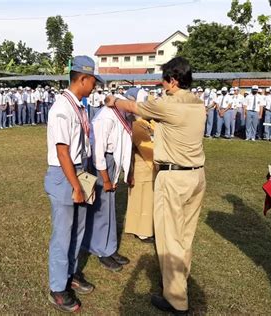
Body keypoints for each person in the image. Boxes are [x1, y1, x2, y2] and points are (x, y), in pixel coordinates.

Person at [105, 56, 206, 314]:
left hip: (174, 177)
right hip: (196, 176)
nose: (162, 86)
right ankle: (178, 281)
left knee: (169, 238)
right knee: (185, 236)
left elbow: (135, 106)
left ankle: (175, 298)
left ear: (172, 81)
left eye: (163, 81)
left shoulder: (169, 104)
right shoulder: (197, 103)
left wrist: (113, 100)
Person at [44, 55, 103, 313]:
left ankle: (71, 273)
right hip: (64, 174)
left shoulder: (78, 106)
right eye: (93, 82)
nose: (95, 87)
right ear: (83, 78)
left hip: (78, 172)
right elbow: (62, 152)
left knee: (78, 230)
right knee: (63, 233)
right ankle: (58, 288)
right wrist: (76, 187)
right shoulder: (61, 109)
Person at [82, 87, 132, 273]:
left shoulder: (118, 115)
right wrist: (106, 178)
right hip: (101, 164)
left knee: (109, 209)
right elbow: (98, 151)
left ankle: (109, 248)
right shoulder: (106, 118)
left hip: (110, 163)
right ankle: (102, 251)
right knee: (101, 209)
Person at [123, 88, 156, 243]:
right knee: (142, 201)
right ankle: (142, 231)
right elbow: (149, 149)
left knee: (146, 201)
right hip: (144, 169)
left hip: (148, 168)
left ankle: (142, 229)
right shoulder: (137, 125)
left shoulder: (146, 123)